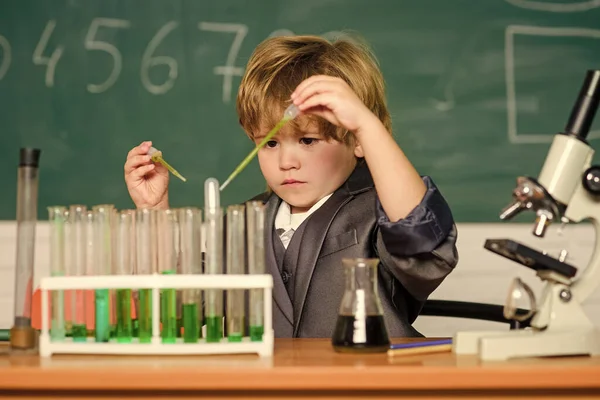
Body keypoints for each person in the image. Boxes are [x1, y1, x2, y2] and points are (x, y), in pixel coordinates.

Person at [124, 34, 458, 338]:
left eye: (308, 140)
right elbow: (184, 307)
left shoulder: (379, 211)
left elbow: (423, 247)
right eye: (269, 144)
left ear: (356, 140)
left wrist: (366, 126)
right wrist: (155, 215)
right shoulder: (244, 223)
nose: (287, 162)